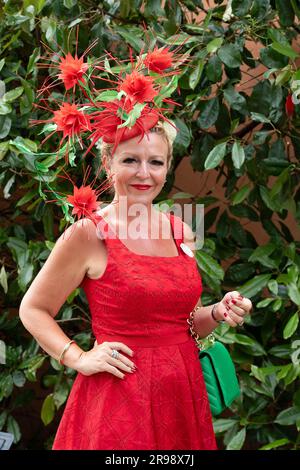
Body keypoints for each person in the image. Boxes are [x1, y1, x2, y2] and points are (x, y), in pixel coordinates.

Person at [19, 43, 252, 450]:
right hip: (118, 403)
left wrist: (217, 312)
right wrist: (77, 358)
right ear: (108, 165)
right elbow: (33, 309)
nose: (144, 174)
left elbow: (177, 326)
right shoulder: (89, 234)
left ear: (167, 166)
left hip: (182, 398)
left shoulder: (181, 230)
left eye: (156, 162)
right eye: (130, 161)